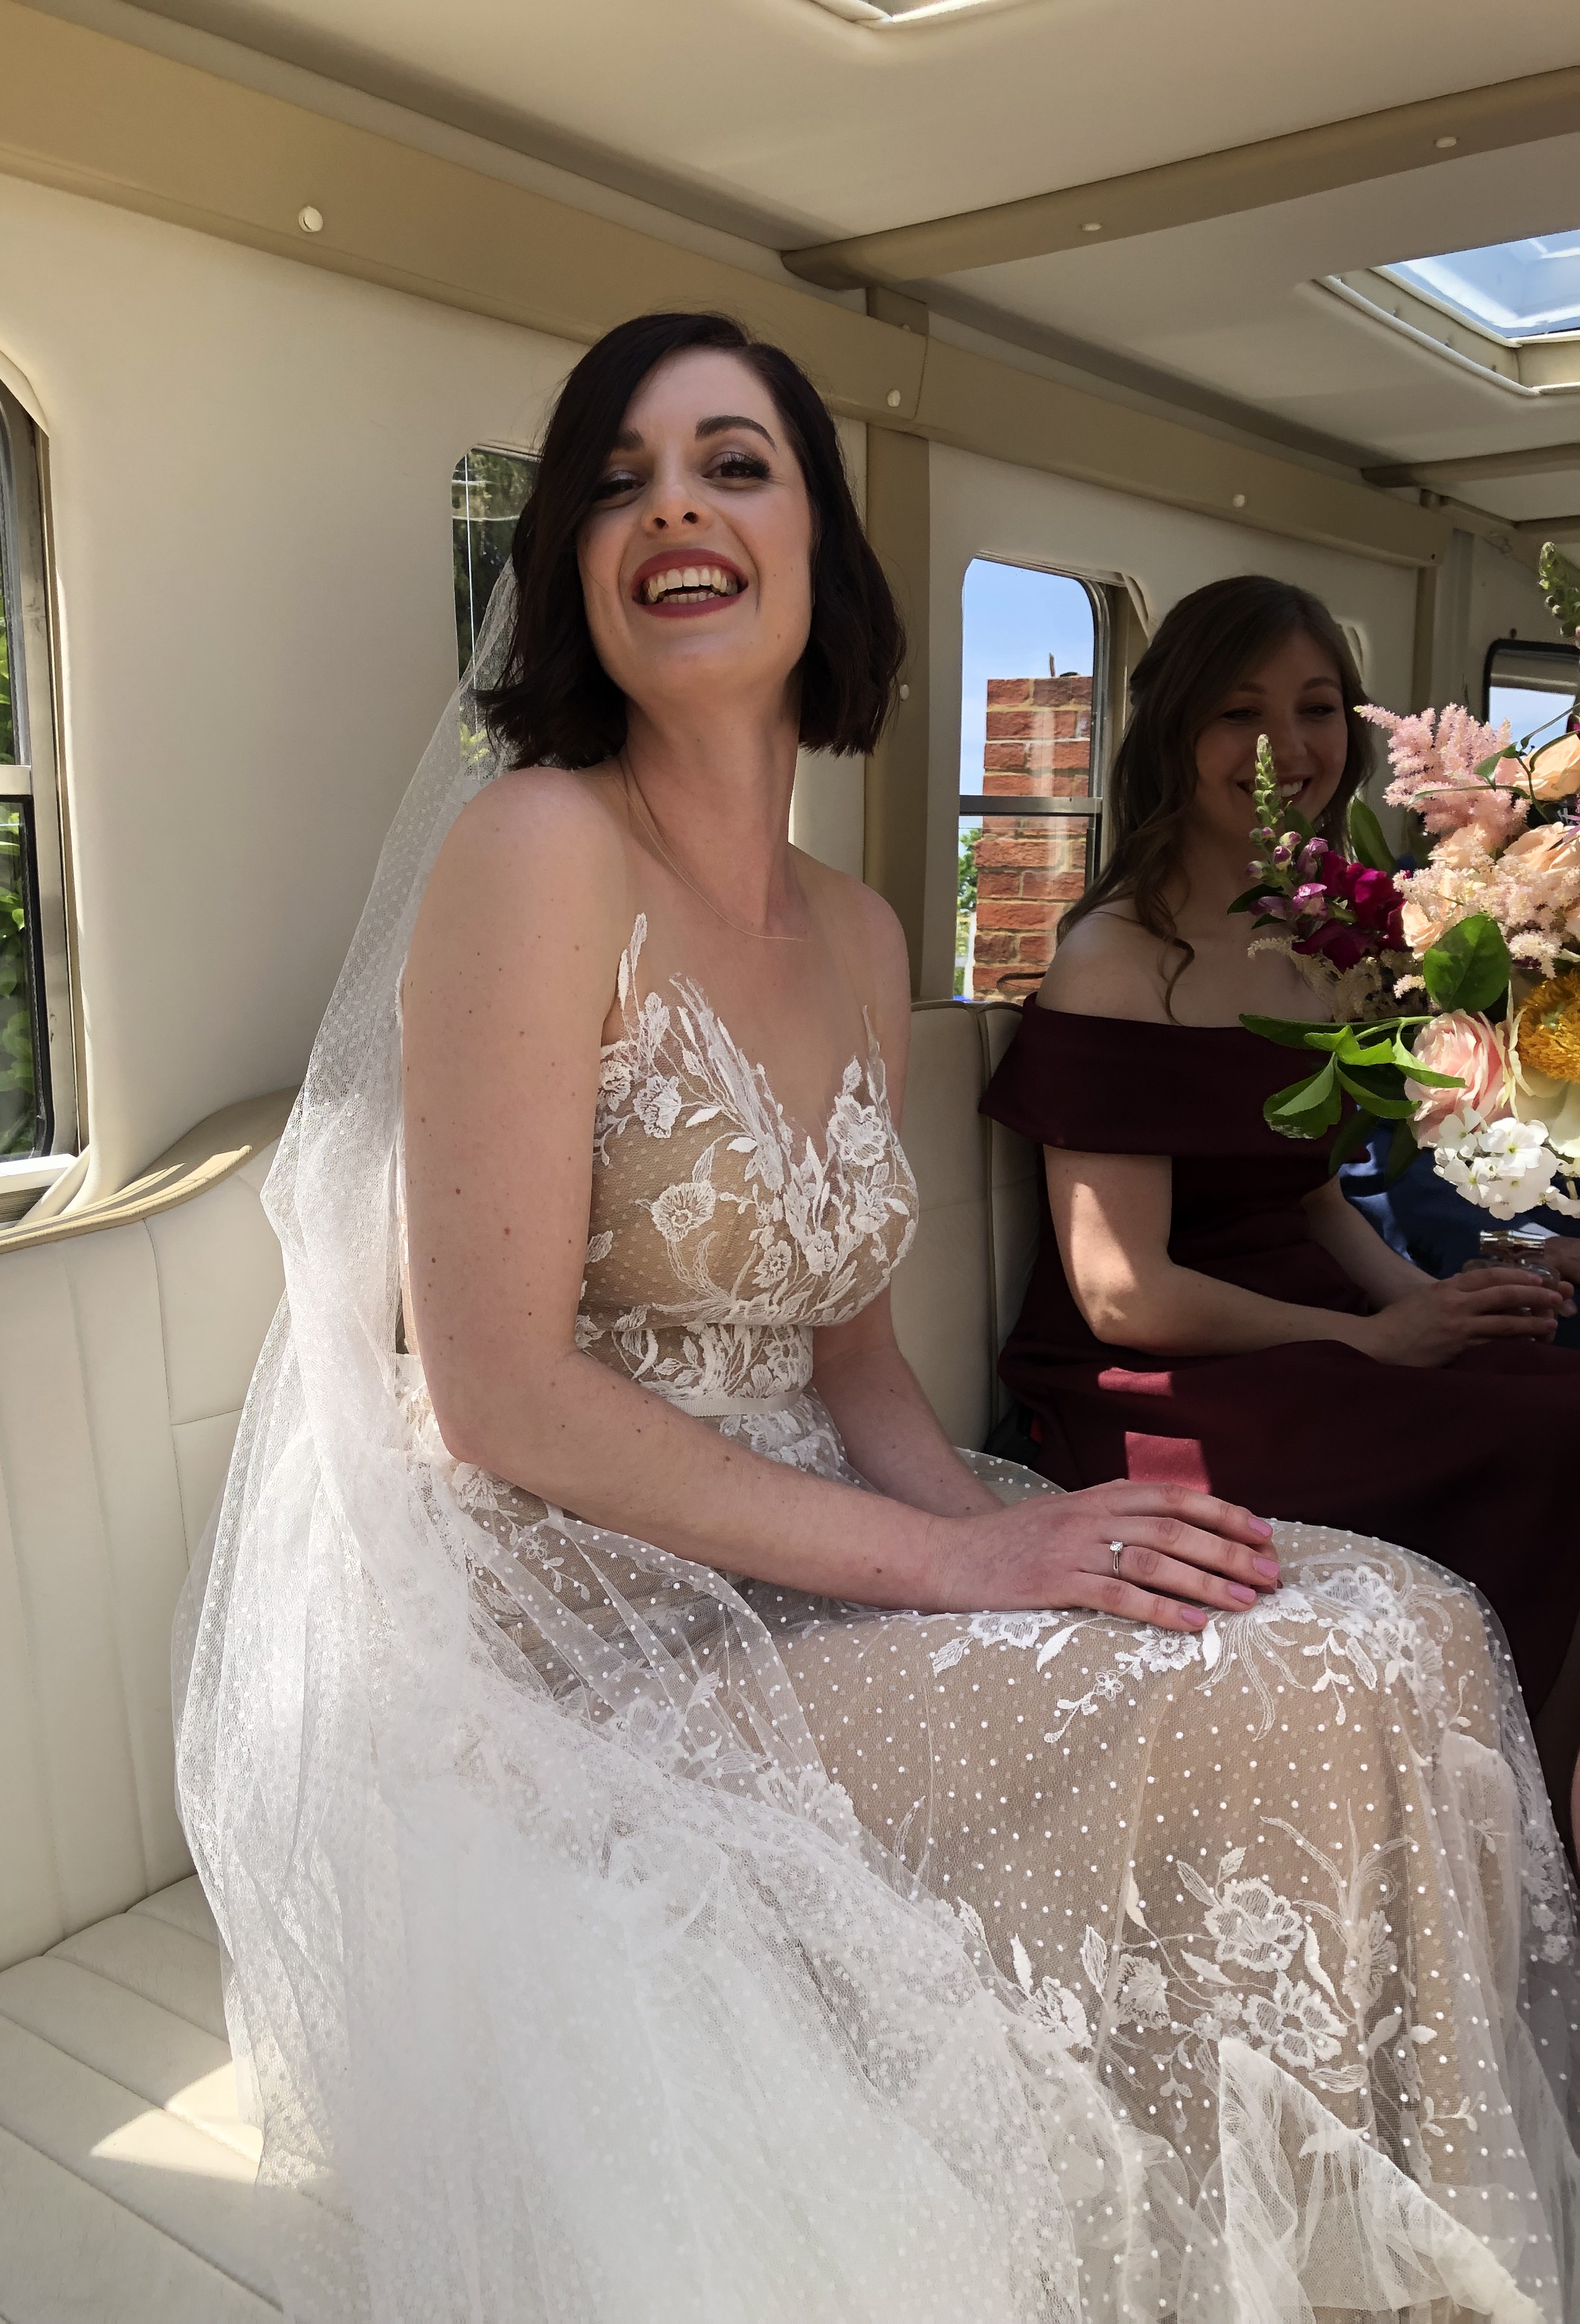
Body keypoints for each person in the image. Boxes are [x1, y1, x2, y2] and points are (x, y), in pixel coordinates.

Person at [177, 321, 1580, 2322]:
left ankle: (1367, 2262)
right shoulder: (538, 851)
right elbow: (495, 1398)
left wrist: (1025, 1544)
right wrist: (961, 1563)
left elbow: (853, 1365)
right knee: (1279, 1685)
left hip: (828, 1538)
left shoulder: (857, 930)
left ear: (822, 552)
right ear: (576, 563)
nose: (672, 505)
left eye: (733, 464)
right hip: (585, 1626)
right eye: (618, 478)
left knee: (1402, 1625)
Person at [981, 576, 1580, 1742]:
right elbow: (1120, 1293)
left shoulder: (1318, 939)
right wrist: (1375, 1341)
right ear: (1176, 730)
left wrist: (1432, 1302)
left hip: (1307, 1328)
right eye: (1240, 714)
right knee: (1559, 1435)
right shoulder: (1114, 958)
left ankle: (1535, 1802)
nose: (1289, 749)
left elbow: (1312, 1199)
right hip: (1158, 1379)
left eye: (1315, 710)